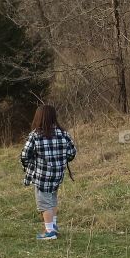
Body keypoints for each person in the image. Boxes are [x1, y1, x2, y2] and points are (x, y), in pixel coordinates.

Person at [19, 103, 76, 241]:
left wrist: (28, 165)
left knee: (44, 203)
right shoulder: (63, 134)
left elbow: (25, 155)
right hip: (58, 174)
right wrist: (61, 159)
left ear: (38, 118)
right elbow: (72, 152)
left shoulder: (35, 135)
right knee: (52, 200)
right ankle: (53, 226)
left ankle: (49, 232)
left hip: (42, 176)